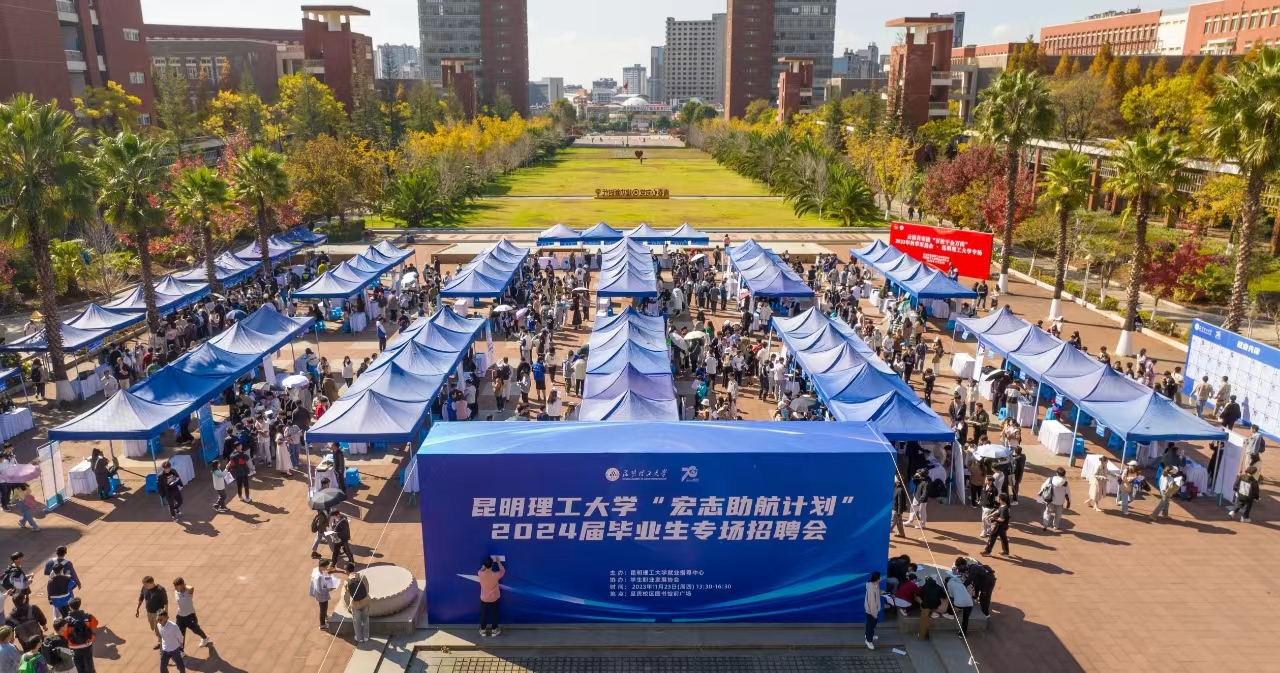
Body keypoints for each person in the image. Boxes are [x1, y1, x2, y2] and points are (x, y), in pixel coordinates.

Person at [60, 598, 97, 673]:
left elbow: (64, 633)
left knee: (77, 662)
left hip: (73, 646)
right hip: (87, 643)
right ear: (79, 605)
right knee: (89, 661)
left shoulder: (66, 620)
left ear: (70, 607)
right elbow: (95, 624)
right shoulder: (87, 616)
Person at [170, 579, 209, 650]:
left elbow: (191, 588)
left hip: (190, 615)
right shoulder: (176, 591)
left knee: (196, 630)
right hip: (180, 616)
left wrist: (184, 585)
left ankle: (205, 638)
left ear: (181, 585)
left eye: (176, 587)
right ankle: (181, 651)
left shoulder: (188, 592)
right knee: (180, 634)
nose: (175, 589)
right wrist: (180, 587)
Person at [136, 576, 167, 650]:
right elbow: (141, 597)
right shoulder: (144, 588)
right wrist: (138, 608)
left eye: (146, 584)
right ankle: (161, 640)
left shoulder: (160, 589)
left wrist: (166, 613)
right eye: (144, 584)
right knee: (153, 627)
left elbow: (165, 602)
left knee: (158, 629)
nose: (144, 586)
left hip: (158, 613)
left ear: (151, 582)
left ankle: (162, 643)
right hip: (149, 612)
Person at [309, 561, 341, 631]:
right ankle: (322, 625)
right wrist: (330, 588)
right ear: (322, 567)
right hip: (321, 595)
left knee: (324, 607)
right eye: (326, 567)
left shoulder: (316, 569)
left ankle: (325, 616)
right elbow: (319, 589)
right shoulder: (318, 577)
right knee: (323, 609)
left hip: (321, 592)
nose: (327, 568)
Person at [478, 556, 505, 637]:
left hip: (484, 598)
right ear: (492, 565)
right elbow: (503, 571)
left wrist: (484, 566)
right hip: (494, 598)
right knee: (494, 614)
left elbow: (481, 569)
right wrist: (499, 563)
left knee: (484, 615)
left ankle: (483, 630)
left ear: (484, 565)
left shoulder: (480, 573)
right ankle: (494, 630)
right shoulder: (496, 575)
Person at [1038, 468, 1071, 532]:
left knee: (1047, 512)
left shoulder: (1050, 479)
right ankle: (1055, 526)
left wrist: (1040, 494)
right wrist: (1069, 502)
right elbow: (1067, 494)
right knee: (1058, 514)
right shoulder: (1065, 483)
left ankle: (1045, 525)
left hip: (1050, 500)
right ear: (1064, 474)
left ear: (1057, 473)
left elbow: (1043, 487)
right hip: (1060, 502)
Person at [945, 571, 975, 641]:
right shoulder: (961, 583)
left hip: (959, 604)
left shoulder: (949, 583)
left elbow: (951, 596)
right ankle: (962, 634)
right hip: (970, 603)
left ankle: (950, 613)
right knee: (965, 619)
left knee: (951, 599)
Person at [917, 576, 948, 640]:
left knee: (924, 620)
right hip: (936, 605)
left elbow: (921, 596)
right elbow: (944, 596)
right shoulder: (939, 587)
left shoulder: (923, 587)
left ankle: (921, 636)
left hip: (925, 606)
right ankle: (934, 612)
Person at [344, 572, 372, 644]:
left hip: (355, 604)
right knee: (366, 619)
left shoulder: (347, 581)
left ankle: (359, 638)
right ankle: (366, 637)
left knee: (356, 621)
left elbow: (348, 594)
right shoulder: (362, 577)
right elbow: (367, 589)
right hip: (365, 601)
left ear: (346, 571)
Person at [863, 571, 880, 650]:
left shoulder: (875, 585)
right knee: (871, 625)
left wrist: (883, 593)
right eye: (880, 577)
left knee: (870, 624)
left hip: (873, 610)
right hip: (872, 611)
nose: (881, 578)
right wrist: (874, 613)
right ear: (877, 579)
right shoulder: (871, 588)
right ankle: (868, 641)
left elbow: (877, 594)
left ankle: (868, 635)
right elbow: (871, 602)